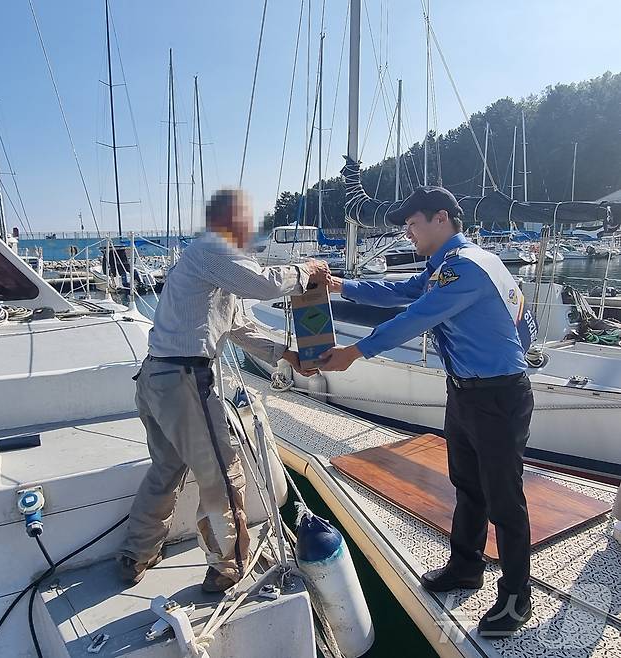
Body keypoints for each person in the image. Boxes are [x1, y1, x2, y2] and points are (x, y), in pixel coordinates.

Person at [320, 183, 538, 637]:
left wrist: (356, 352)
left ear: (442, 218)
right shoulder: (456, 264)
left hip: (497, 396)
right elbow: (403, 292)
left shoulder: (466, 270)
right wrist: (343, 285)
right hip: (467, 393)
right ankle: (465, 567)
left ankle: (518, 596)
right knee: (468, 486)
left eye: (413, 224)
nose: (408, 233)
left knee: (504, 498)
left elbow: (414, 318)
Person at [120, 188, 329, 592]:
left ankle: (135, 553)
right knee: (222, 472)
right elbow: (265, 285)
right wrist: (307, 271)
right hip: (184, 381)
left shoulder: (207, 261)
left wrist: (287, 354)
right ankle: (227, 565)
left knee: (166, 468)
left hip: (155, 379)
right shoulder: (213, 249)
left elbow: (238, 327)